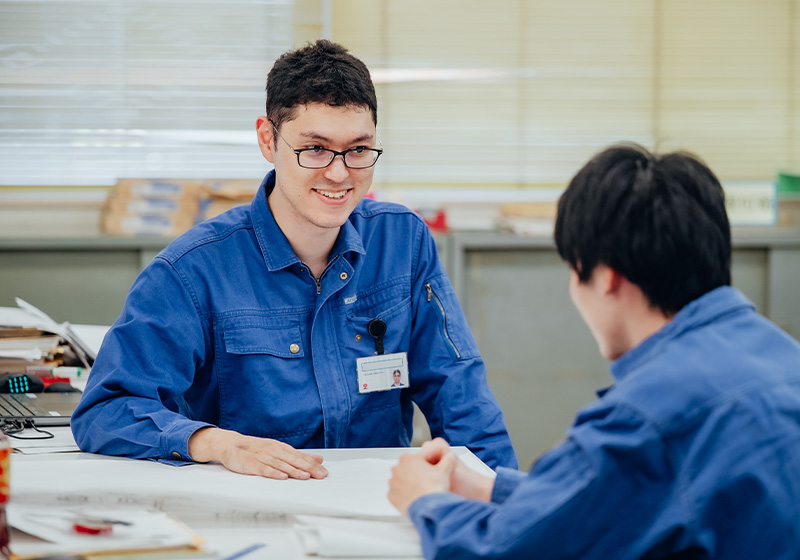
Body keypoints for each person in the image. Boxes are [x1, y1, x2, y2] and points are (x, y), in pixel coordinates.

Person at [72, 40, 516, 480]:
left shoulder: (403, 240)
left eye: (359, 150)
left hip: (375, 506)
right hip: (249, 510)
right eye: (316, 149)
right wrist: (216, 443)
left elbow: (461, 395)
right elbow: (105, 411)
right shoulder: (192, 271)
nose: (340, 173)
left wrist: (507, 509)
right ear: (268, 139)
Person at [388, 144, 800, 559]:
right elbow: (610, 495)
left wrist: (426, 502)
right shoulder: (781, 355)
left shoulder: (647, 416)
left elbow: (500, 552)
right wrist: (490, 487)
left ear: (606, 278)